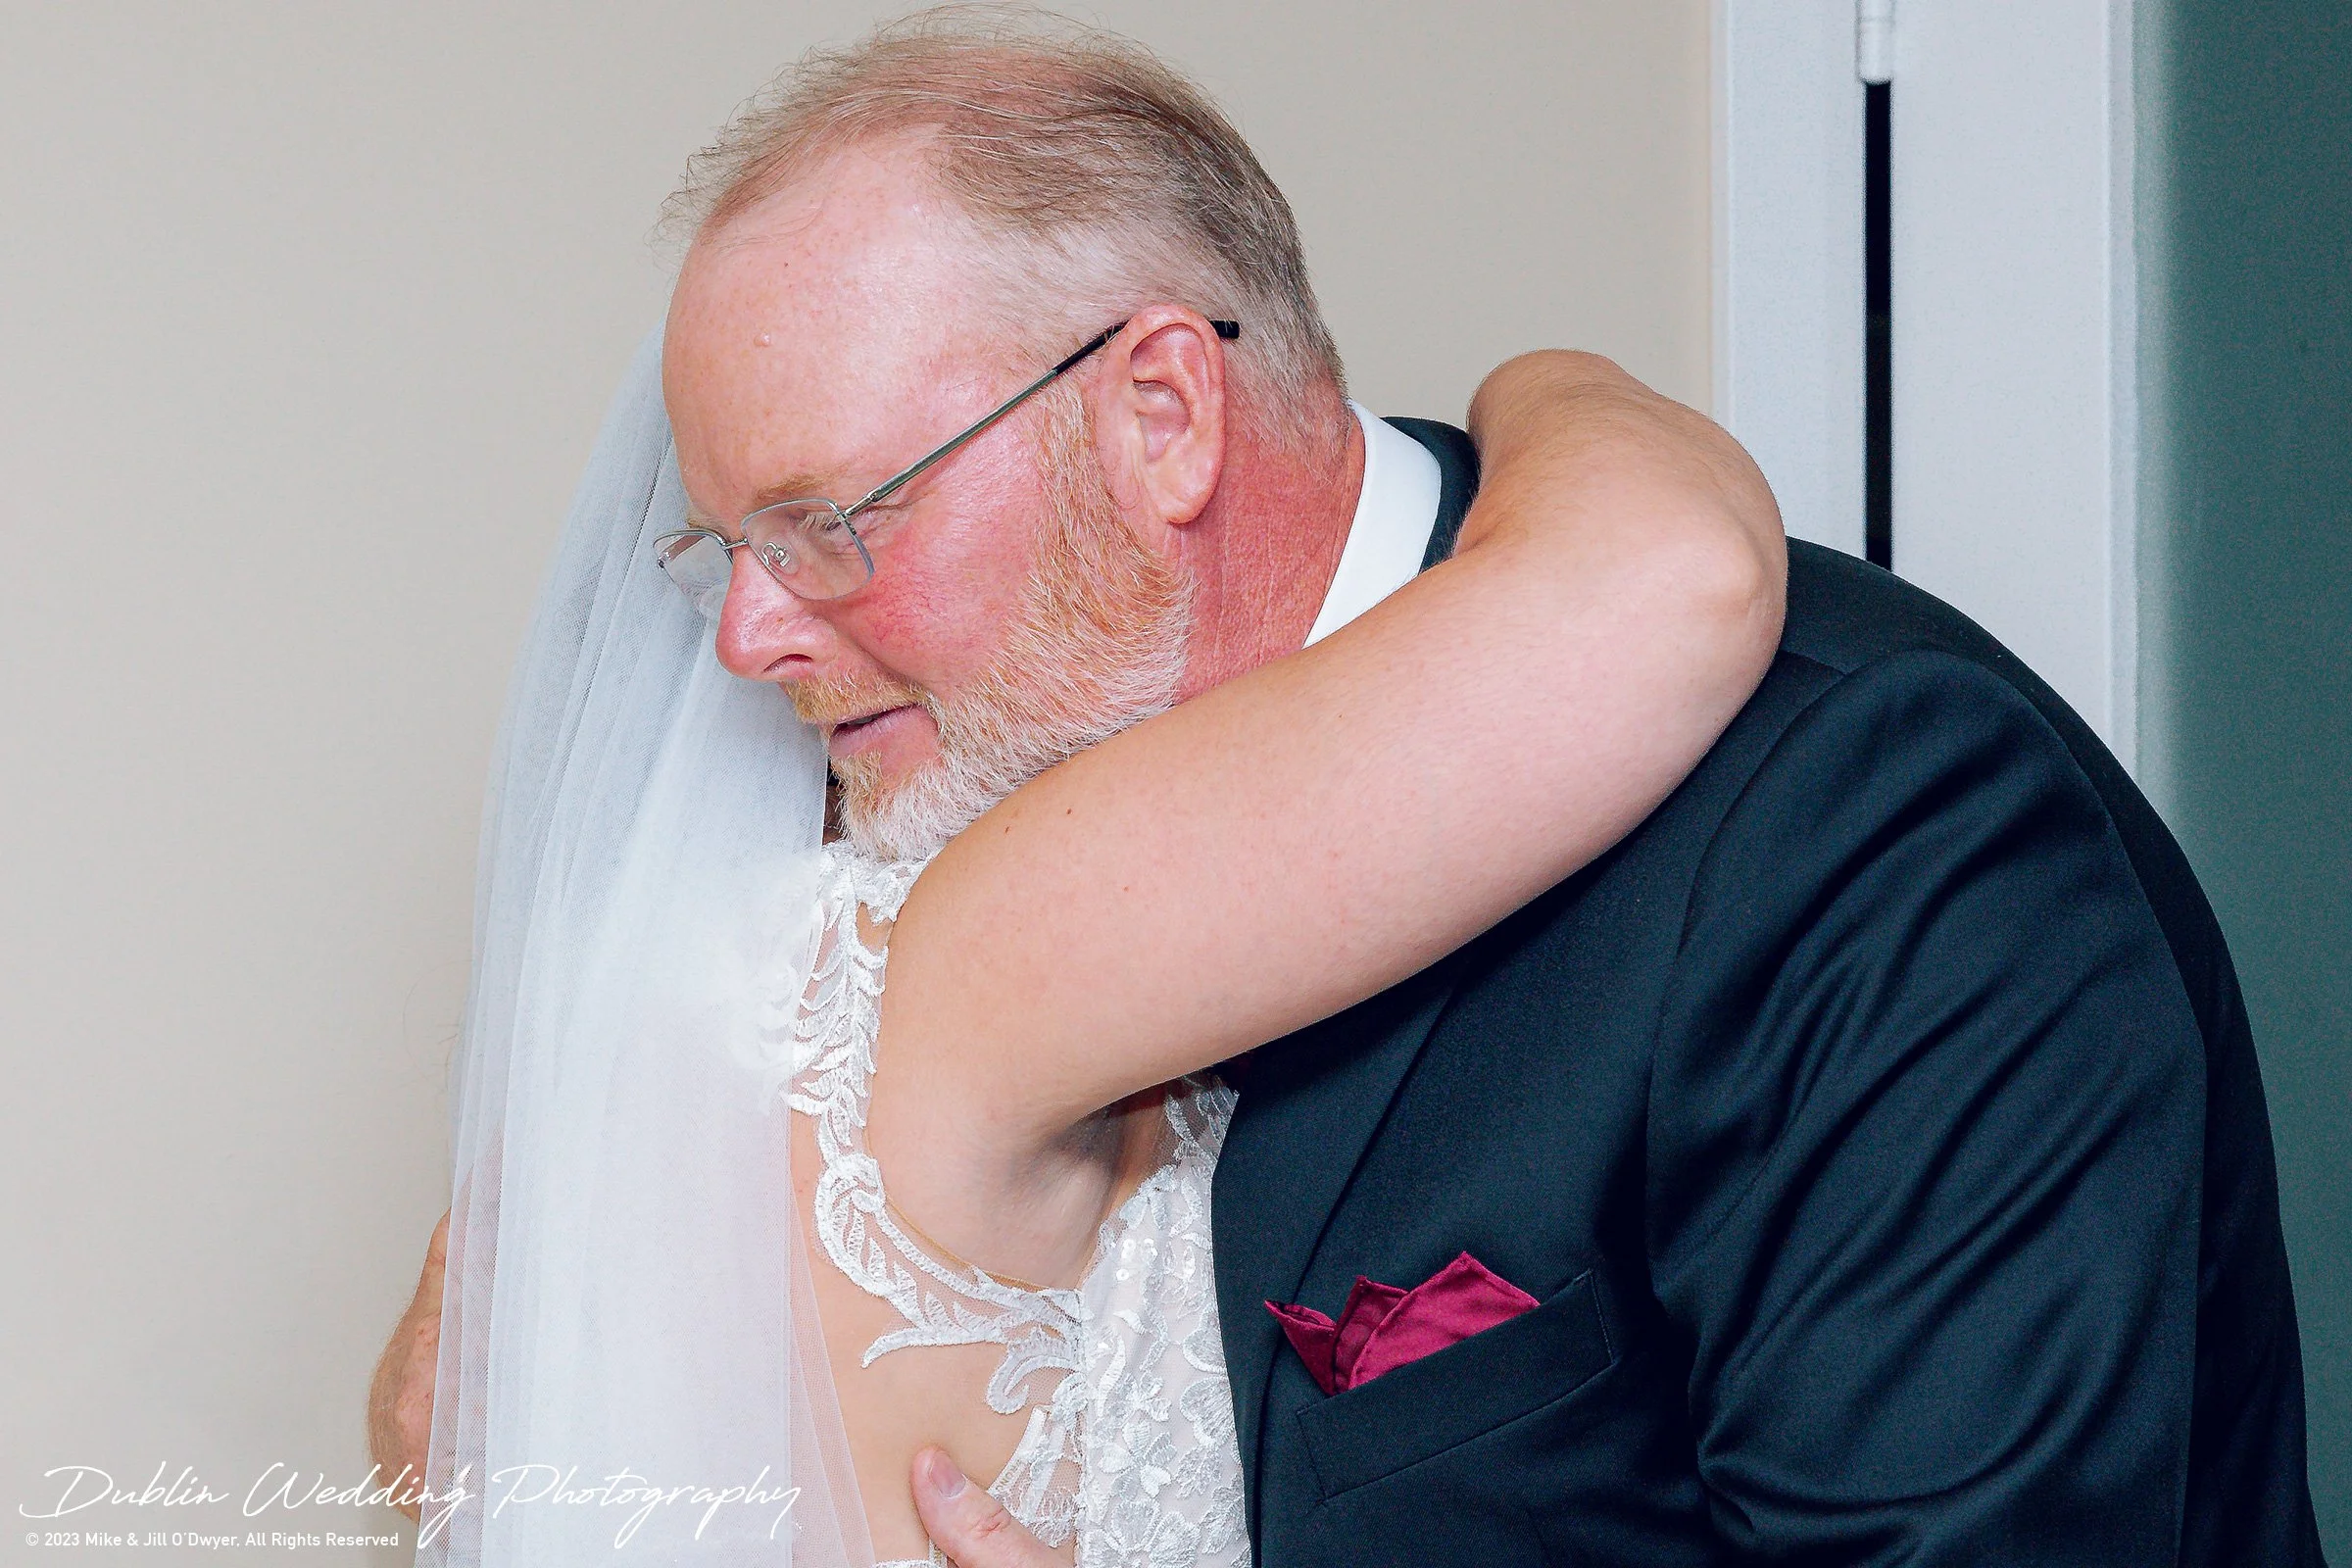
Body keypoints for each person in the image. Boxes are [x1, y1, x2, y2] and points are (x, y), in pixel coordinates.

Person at [376, 12, 2325, 1567]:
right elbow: (444, 1408)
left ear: (1161, 414)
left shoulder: (1867, 826)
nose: (745, 646)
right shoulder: (876, 886)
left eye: (831, 525)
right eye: (720, 547)